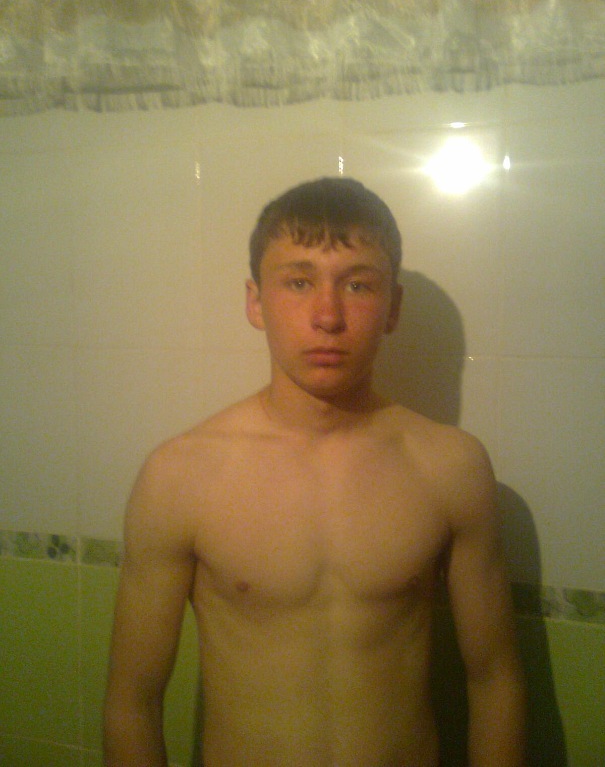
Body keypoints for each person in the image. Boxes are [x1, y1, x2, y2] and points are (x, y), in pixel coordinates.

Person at [103, 177, 526, 767]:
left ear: (393, 308)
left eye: (358, 284)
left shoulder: (451, 468)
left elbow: (495, 681)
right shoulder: (180, 476)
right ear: (255, 302)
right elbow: (133, 703)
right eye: (298, 282)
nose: (327, 316)